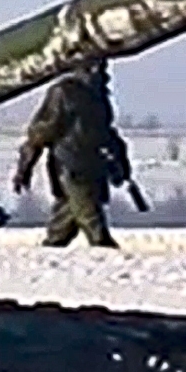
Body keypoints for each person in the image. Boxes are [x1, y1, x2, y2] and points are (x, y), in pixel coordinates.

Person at [13, 61, 135, 250]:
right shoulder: (64, 92)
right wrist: (25, 167)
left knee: (66, 217)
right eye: (91, 65)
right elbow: (41, 132)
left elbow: (106, 131)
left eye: (100, 66)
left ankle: (51, 249)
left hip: (94, 163)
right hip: (70, 163)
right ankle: (105, 249)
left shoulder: (99, 94)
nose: (96, 69)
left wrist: (120, 163)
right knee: (91, 216)